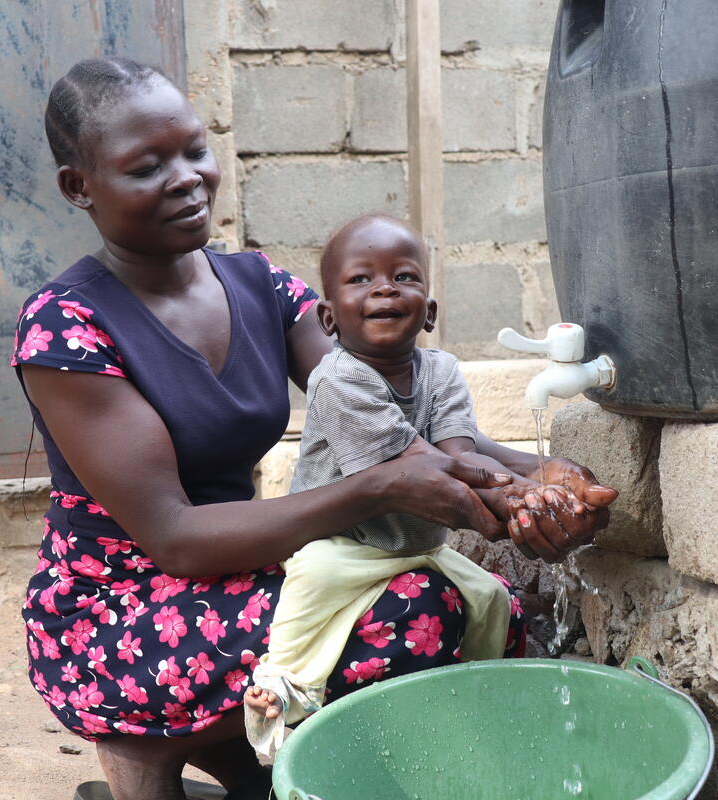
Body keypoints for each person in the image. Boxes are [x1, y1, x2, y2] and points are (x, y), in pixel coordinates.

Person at [10, 56, 617, 800]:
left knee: (489, 602)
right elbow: (172, 535)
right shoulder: (66, 325)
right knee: (415, 611)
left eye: (195, 151)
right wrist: (382, 488)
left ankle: (269, 770)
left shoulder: (260, 285)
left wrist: (540, 480)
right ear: (80, 187)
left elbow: (394, 424)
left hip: (245, 568)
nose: (186, 178)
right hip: (119, 611)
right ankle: (146, 752)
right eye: (147, 167)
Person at [242, 214, 592, 761]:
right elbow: (422, 464)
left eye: (403, 276)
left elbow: (459, 453)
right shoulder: (336, 379)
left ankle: (484, 691)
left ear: (428, 311)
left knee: (494, 597)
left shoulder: (442, 371)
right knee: (308, 588)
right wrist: (522, 494)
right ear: (329, 319)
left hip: (417, 547)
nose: (384, 287)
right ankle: (281, 687)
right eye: (361, 280)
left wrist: (542, 484)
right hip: (344, 544)